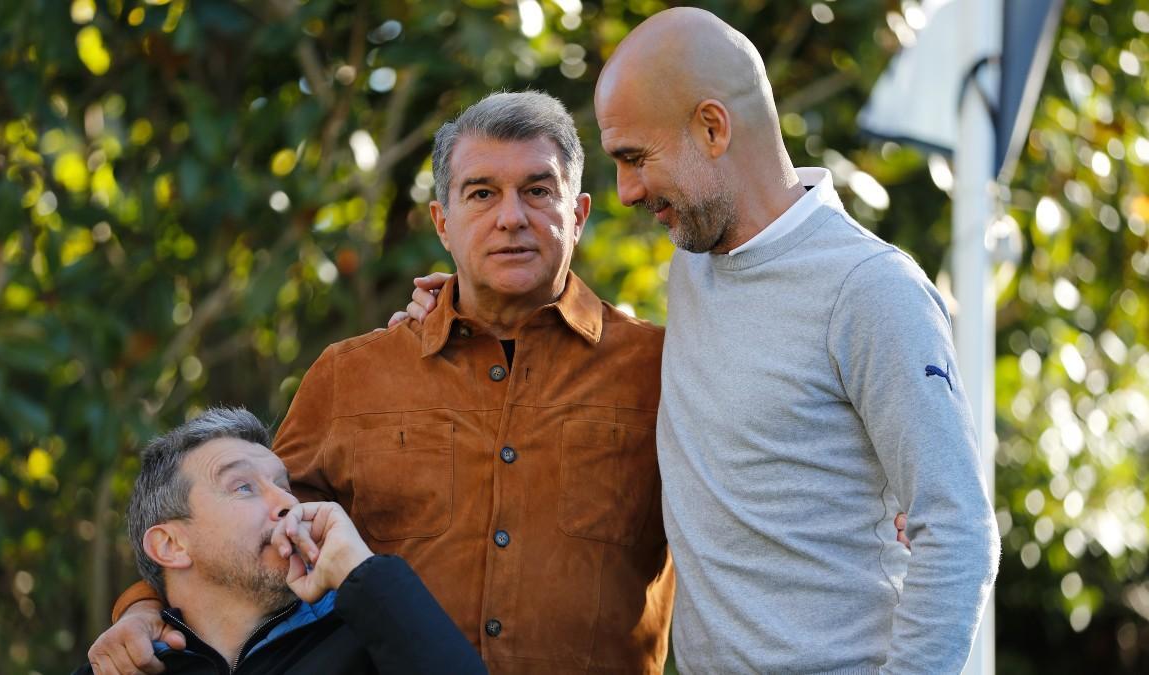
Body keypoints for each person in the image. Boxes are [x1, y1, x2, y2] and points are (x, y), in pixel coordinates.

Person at [403, 8, 1000, 674]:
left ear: (712, 128)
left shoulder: (870, 289)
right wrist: (466, 303)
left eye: (635, 158)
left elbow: (958, 531)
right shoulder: (694, 260)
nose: (626, 190)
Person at [87, 93, 673, 675]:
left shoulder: (662, 370)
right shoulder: (353, 376)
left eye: (538, 190)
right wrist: (145, 610)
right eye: (481, 193)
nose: (511, 217)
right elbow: (242, 541)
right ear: (442, 223)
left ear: (579, 214)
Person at [76, 407, 485, 674]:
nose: (287, 503)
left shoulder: (370, 635)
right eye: (243, 488)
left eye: (283, 485)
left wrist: (360, 570)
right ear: (171, 546)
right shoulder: (122, 664)